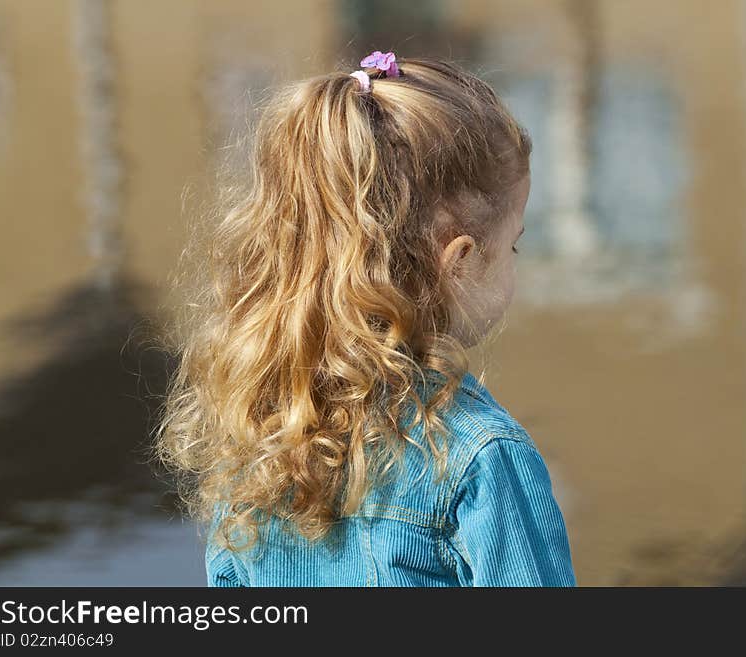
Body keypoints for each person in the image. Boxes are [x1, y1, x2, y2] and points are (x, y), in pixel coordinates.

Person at [153, 50, 577, 587]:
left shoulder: (258, 428)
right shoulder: (482, 457)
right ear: (461, 261)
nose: (516, 264)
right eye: (513, 246)